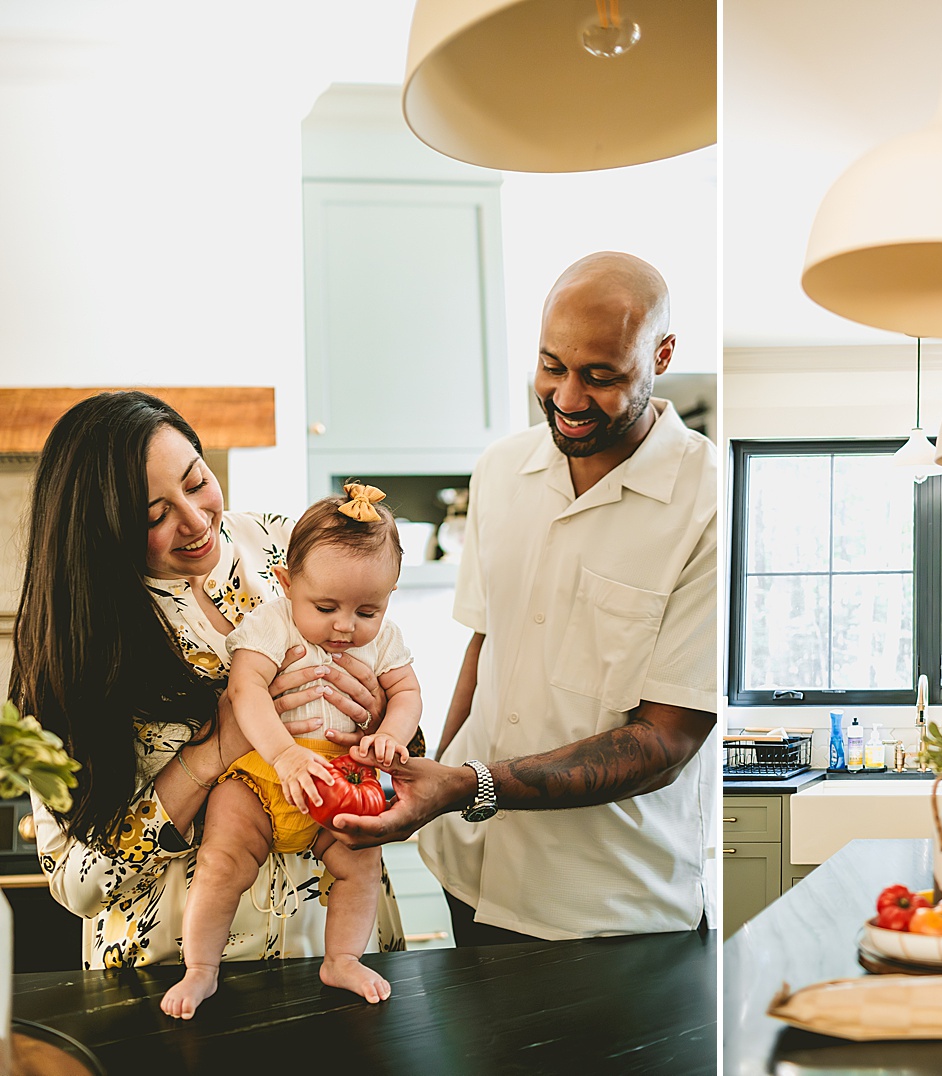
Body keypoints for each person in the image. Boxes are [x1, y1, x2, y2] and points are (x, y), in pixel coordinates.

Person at [330, 251, 718, 943]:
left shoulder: (710, 502)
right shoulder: (502, 471)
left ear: (661, 354)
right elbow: (486, 646)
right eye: (552, 367)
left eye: (601, 376)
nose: (568, 399)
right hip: (469, 870)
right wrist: (433, 776)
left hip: (606, 906)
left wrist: (468, 784)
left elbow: (666, 739)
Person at [8, 391, 405, 970]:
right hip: (173, 979)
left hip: (338, 949)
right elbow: (79, 883)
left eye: (196, 483)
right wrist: (216, 748)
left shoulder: (286, 543)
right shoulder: (74, 645)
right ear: (102, 530)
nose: (195, 522)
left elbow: (397, 702)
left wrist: (378, 722)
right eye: (153, 516)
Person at [161, 485, 421, 1017]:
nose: (346, 625)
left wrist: (390, 733)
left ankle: (342, 959)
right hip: (260, 777)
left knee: (360, 862)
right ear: (286, 583)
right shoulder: (272, 623)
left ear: (391, 595)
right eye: (326, 607)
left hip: (341, 778)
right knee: (222, 859)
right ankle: (202, 968)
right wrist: (284, 755)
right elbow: (246, 690)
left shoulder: (384, 637)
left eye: (367, 609)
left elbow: (408, 693)